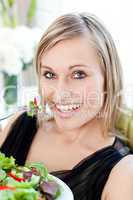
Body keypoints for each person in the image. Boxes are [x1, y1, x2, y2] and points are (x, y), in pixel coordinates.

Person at [0, 12, 133, 200]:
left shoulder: (123, 175)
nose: (60, 93)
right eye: (49, 74)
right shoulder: (19, 124)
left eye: (78, 74)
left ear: (108, 78)